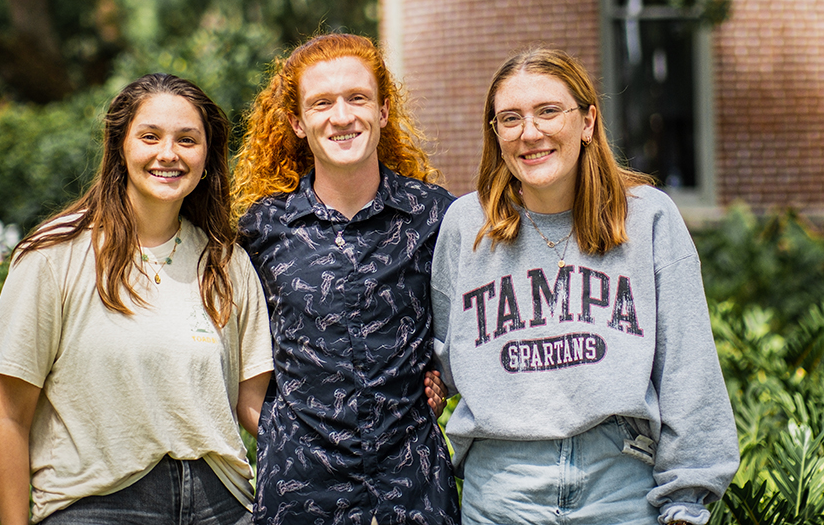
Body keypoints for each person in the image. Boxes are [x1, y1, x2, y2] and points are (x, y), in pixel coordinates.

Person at [430, 47, 739, 525]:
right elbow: (443, 359)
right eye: (509, 118)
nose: (529, 133)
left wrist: (686, 499)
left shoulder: (648, 218)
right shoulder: (467, 225)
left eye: (548, 111)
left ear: (588, 121)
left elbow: (686, 366)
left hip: (621, 482)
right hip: (502, 489)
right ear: (495, 134)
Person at [0, 73, 273, 525]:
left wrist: (366, 426)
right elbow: (8, 418)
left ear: (206, 155)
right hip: (95, 505)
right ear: (120, 145)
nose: (169, 153)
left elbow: (255, 408)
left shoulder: (228, 262)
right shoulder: (52, 257)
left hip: (223, 504)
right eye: (150, 136)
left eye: (187, 139)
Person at [232, 33, 460, 525]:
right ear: (297, 122)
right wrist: (277, 433)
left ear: (382, 111)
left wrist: (445, 374)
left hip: (416, 494)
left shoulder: (437, 216)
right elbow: (234, 358)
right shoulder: (259, 231)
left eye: (357, 98)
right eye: (321, 103)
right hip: (300, 496)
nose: (341, 116)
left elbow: (473, 326)